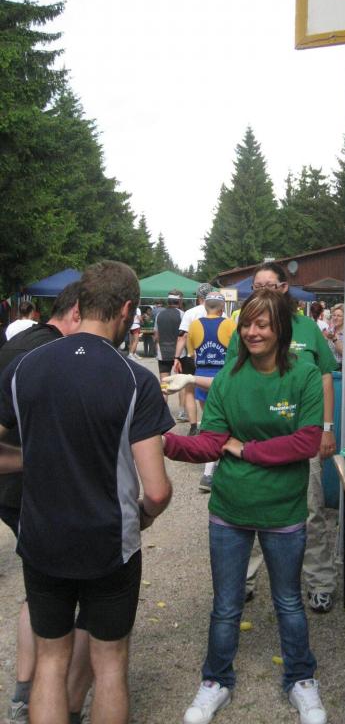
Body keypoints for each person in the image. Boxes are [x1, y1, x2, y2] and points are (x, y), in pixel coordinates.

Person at [0, 260, 173, 724]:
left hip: (42, 539)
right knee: (110, 662)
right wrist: (144, 515)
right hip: (109, 542)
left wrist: (31, 458)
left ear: (78, 303)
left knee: (50, 660)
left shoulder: (25, 366)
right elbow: (157, 490)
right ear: (127, 309)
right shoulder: (135, 379)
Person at [162, 288, 327, 724]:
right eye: (247, 324)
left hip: (283, 510)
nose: (252, 332)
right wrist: (163, 442)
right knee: (226, 604)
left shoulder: (305, 374)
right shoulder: (229, 379)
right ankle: (215, 680)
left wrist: (246, 449)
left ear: (280, 329)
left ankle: (301, 679)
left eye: (262, 324)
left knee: (288, 601)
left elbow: (306, 442)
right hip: (230, 510)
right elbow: (209, 443)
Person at [0, 283, 93, 724]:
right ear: (75, 313)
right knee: (76, 594)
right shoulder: (46, 353)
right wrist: (33, 458)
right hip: (30, 488)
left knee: (38, 587)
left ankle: (25, 692)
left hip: (16, 489)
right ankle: (58, 701)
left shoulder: (24, 341)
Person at [225, 263, 338, 613]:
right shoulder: (244, 329)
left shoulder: (306, 327)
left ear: (284, 288)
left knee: (312, 509)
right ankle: (244, 581)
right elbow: (230, 379)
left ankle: (320, 582)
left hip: (302, 435)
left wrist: (326, 428)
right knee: (250, 509)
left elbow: (325, 377)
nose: (262, 291)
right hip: (255, 438)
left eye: (269, 286)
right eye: (256, 286)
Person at [186, 292, 236, 491]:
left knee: (209, 419)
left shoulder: (194, 325)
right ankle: (210, 472)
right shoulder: (229, 324)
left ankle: (209, 469)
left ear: (205, 306)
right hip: (223, 377)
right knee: (226, 421)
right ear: (222, 308)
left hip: (201, 375)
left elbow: (191, 353)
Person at [174, 283, 213, 435]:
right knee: (213, 390)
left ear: (198, 297)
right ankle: (211, 423)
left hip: (192, 356)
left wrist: (176, 357)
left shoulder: (190, 313)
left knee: (189, 390)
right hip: (215, 357)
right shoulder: (222, 313)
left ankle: (193, 426)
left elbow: (183, 336)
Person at [323, 304, 343, 370]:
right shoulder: (330, 331)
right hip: (329, 367)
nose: (335, 318)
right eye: (334, 315)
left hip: (341, 369)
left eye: (339, 316)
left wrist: (334, 338)